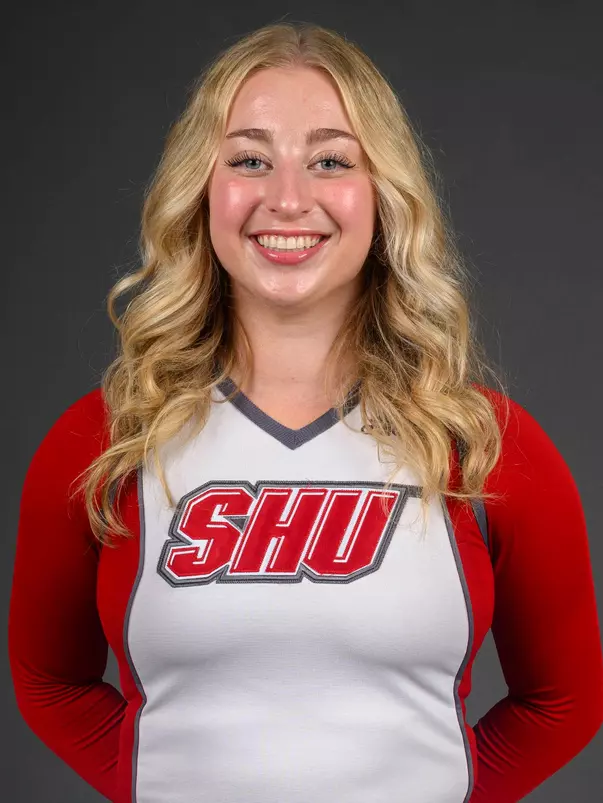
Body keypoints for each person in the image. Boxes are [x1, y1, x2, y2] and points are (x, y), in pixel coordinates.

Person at [8, 20, 603, 803]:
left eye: (330, 160)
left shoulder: (485, 445)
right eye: (249, 159)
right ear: (202, 189)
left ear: (383, 193)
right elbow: (47, 680)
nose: (287, 199)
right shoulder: (104, 440)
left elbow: (567, 701)